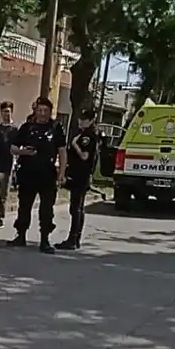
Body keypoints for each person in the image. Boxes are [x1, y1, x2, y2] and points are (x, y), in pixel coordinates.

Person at [10, 96, 66, 254]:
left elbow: (62, 151)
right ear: (35, 111)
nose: (42, 114)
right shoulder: (27, 127)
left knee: (46, 209)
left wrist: (61, 173)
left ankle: (45, 240)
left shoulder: (56, 128)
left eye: (45, 111)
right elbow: (13, 148)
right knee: (24, 207)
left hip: (47, 175)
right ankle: (20, 235)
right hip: (27, 173)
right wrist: (23, 152)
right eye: (39, 110)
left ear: (50, 112)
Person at [59, 107, 98, 250]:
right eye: (81, 119)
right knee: (77, 208)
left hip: (80, 176)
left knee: (76, 209)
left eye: (84, 120)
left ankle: (73, 239)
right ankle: (75, 239)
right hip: (80, 176)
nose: (80, 121)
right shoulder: (86, 134)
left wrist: (75, 145)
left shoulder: (88, 137)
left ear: (90, 121)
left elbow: (84, 156)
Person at [0, 100, 16, 226]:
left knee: (3, 194)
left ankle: (0, 218)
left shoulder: (14, 129)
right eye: (3, 112)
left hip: (7, 164)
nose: (6, 114)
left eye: (8, 111)